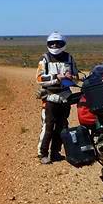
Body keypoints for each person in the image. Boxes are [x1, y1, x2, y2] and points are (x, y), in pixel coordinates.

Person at [36, 32, 79, 164]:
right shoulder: (45, 59)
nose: (55, 45)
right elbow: (39, 78)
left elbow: (76, 76)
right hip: (50, 97)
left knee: (62, 126)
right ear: (48, 44)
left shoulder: (69, 58)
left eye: (58, 43)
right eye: (52, 43)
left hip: (65, 97)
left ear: (63, 44)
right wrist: (56, 77)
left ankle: (55, 152)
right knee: (48, 127)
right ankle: (42, 153)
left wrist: (71, 77)